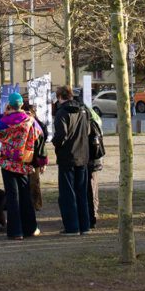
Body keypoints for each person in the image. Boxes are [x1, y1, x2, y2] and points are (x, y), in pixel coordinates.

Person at [0, 92, 40, 240]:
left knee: (13, 197)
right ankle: (30, 228)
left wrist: (5, 115)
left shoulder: (5, 121)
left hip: (8, 162)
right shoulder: (30, 119)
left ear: (9, 104)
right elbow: (39, 132)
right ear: (21, 104)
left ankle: (15, 231)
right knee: (25, 195)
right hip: (24, 161)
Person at [52, 85, 91, 235]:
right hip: (83, 154)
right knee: (82, 192)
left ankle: (72, 227)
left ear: (59, 97)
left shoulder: (62, 112)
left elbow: (61, 134)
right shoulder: (83, 110)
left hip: (67, 156)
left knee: (68, 193)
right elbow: (88, 130)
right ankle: (85, 225)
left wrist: (56, 144)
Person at [22, 102, 48, 212]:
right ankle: (30, 203)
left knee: (34, 183)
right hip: (27, 158)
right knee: (30, 183)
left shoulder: (39, 125)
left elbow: (42, 146)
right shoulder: (25, 124)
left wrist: (43, 162)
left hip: (34, 159)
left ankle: (36, 204)